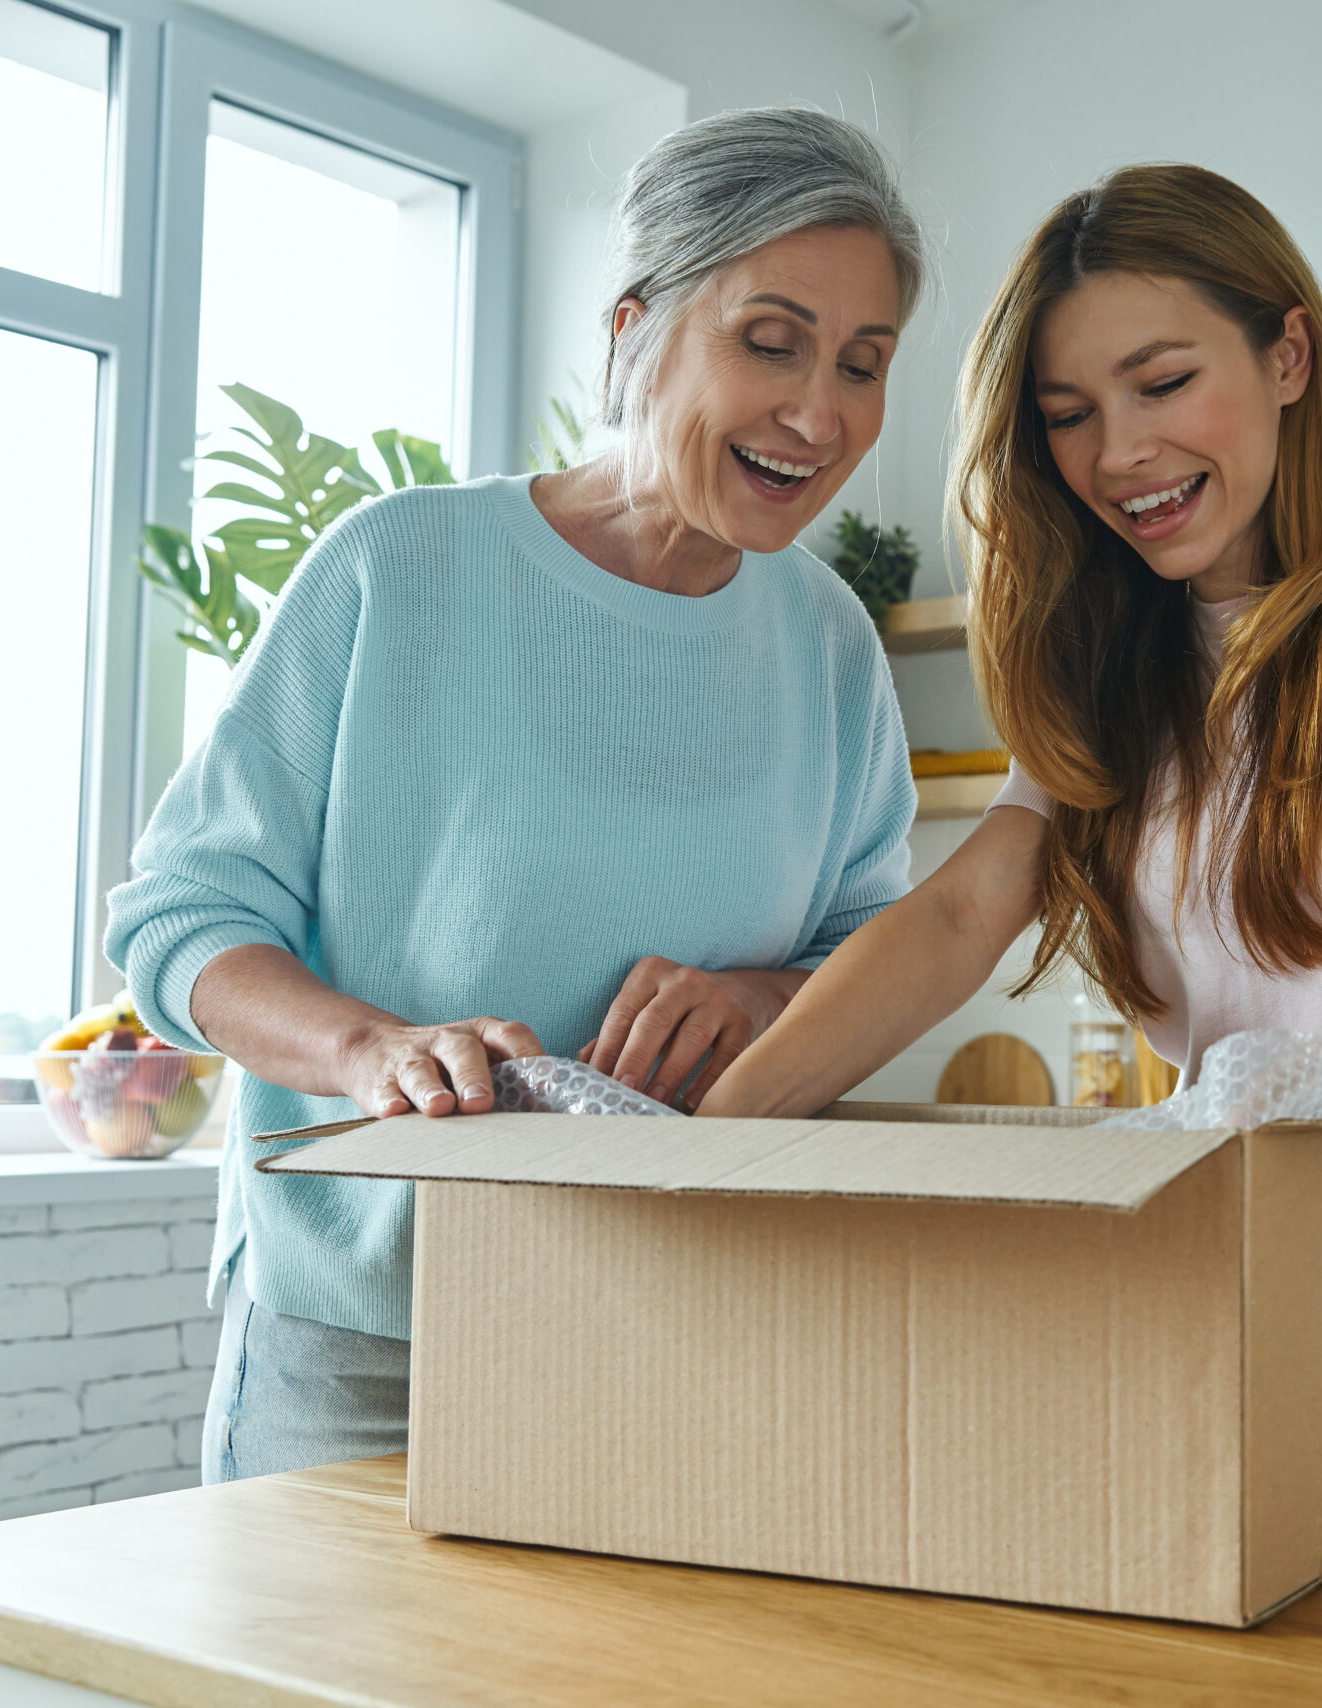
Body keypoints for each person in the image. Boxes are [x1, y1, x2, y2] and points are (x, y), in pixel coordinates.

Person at [702, 164, 1322, 1468]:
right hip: (1205, 1229)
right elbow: (968, 910)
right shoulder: (1105, 663)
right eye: (1070, 414)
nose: (1118, 453)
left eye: (1162, 382)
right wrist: (709, 1144)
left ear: (1289, 356)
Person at [106, 108, 926, 1483]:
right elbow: (181, 921)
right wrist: (369, 1050)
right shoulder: (399, 568)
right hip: (362, 1340)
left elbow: (869, 949)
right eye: (769, 342)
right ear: (634, 328)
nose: (820, 413)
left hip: (681, 1327)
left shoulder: (831, 642)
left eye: (864, 362)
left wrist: (765, 997)